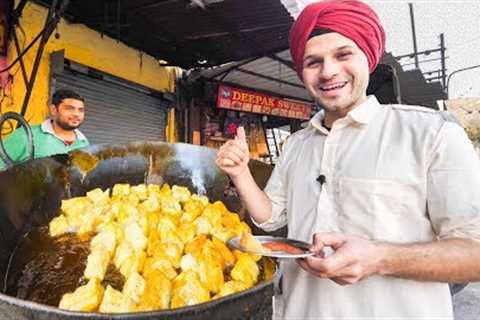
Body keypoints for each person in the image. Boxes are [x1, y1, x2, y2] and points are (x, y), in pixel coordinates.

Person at [215, 0, 480, 319]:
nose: (328, 71)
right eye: (313, 62)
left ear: (367, 58)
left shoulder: (430, 134)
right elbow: (271, 218)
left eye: (343, 55)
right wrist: (241, 173)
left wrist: (380, 258)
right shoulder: (296, 145)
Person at [0, 89, 89, 169]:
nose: (76, 114)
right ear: (54, 109)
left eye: (81, 110)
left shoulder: (83, 142)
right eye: (70, 108)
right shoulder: (25, 135)